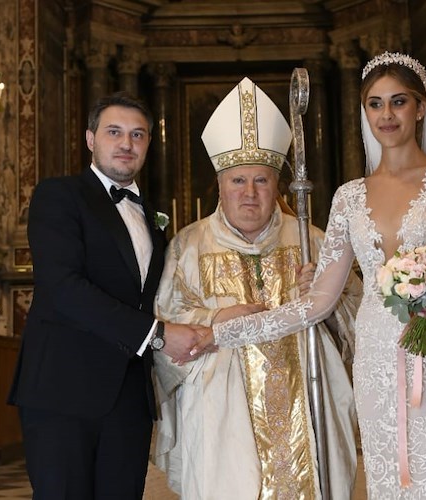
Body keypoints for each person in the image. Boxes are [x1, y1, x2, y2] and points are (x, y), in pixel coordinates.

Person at [191, 54, 426, 498]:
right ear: (364, 111)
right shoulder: (349, 196)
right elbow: (317, 302)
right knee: (387, 480)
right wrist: (224, 333)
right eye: (375, 104)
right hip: (375, 359)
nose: (386, 115)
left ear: (421, 107)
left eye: (398, 102)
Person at [152, 77, 362, 499]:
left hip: (309, 396)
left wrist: (330, 297)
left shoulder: (313, 241)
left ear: (277, 188)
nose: (249, 193)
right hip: (220, 412)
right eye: (238, 181)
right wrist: (215, 319)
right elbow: (165, 326)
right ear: (220, 187)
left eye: (261, 181)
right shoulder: (188, 247)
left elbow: (361, 315)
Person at [7, 91, 208, 500]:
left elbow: (166, 294)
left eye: (138, 135)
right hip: (63, 391)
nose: (126, 143)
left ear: (148, 143)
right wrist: (157, 334)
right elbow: (63, 288)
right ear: (90, 139)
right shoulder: (59, 196)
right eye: (114, 132)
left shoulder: (152, 218)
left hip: (128, 398)